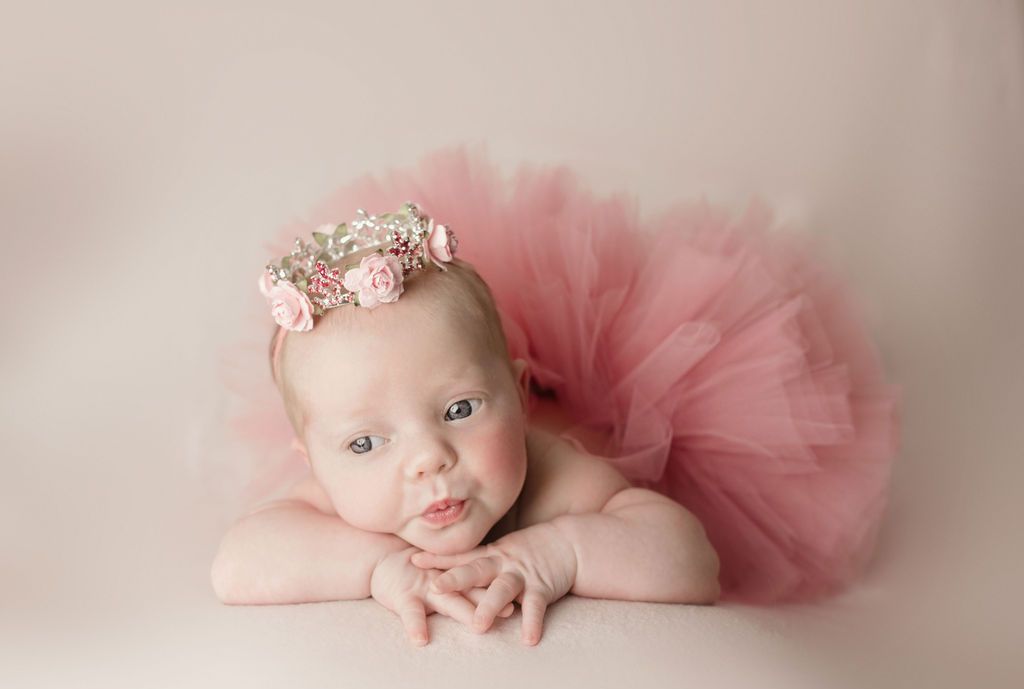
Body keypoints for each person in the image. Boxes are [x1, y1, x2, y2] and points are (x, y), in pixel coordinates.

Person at [210, 147, 901, 646]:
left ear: (517, 396)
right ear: (315, 460)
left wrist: (555, 553)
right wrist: (378, 568)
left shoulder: (554, 471)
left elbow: (692, 562)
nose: (427, 461)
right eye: (365, 443)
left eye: (459, 410)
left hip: (616, 416)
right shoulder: (342, 499)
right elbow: (236, 564)